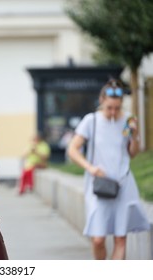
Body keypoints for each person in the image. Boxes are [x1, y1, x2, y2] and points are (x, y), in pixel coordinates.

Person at [67, 78, 150, 260]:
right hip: (99, 186)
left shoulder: (128, 119)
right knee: (98, 239)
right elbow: (73, 149)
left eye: (117, 108)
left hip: (123, 184)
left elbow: (133, 153)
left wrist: (134, 136)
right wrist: (90, 168)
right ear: (102, 101)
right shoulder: (91, 121)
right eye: (109, 108)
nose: (113, 112)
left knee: (120, 238)